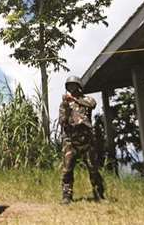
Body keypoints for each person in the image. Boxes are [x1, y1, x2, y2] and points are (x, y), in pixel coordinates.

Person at [59, 76, 105, 205]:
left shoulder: (87, 99)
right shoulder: (64, 104)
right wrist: (67, 108)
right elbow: (62, 121)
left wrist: (74, 100)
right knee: (67, 169)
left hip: (87, 140)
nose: (71, 89)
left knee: (93, 168)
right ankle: (66, 196)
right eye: (69, 86)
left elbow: (92, 104)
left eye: (73, 85)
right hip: (70, 140)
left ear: (79, 86)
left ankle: (99, 194)